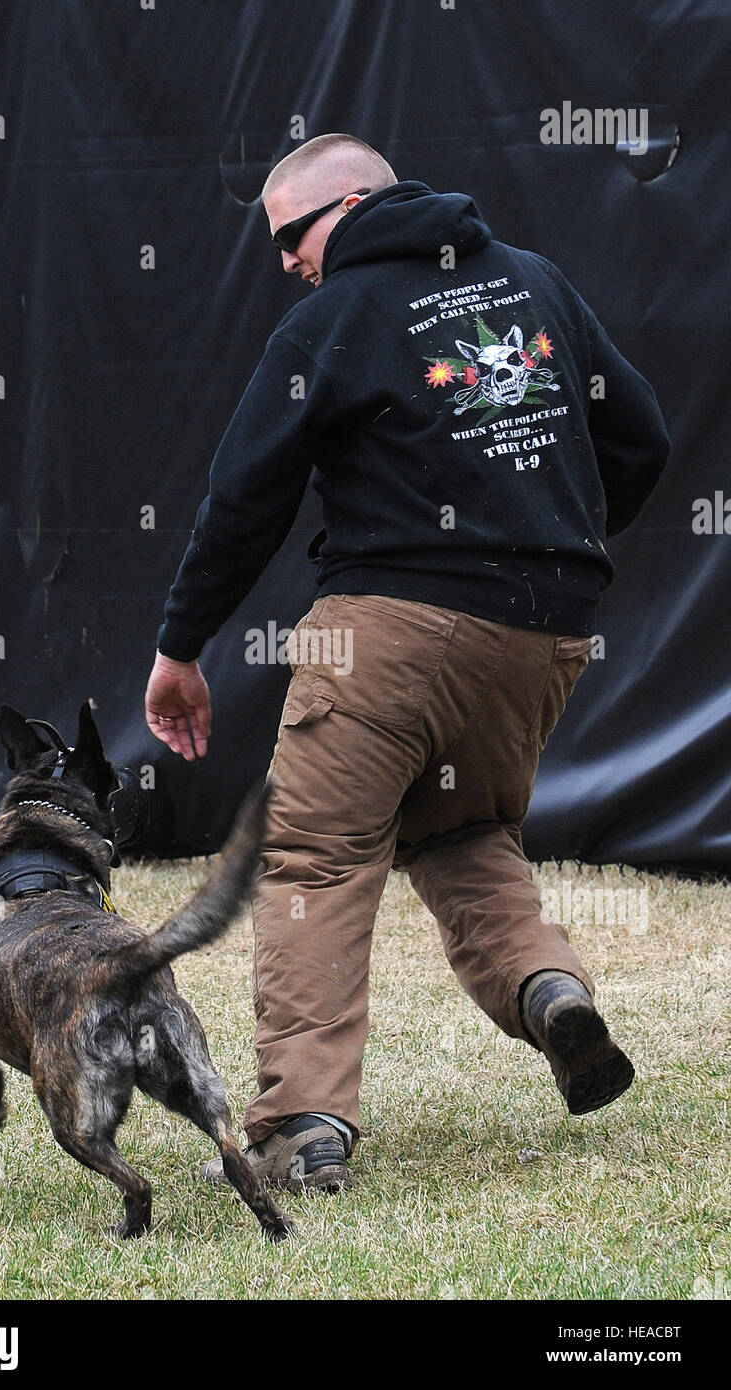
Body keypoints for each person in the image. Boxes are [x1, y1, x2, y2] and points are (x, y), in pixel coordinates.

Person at [144, 134, 670, 1193]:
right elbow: (643, 438)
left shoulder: (331, 320)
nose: (287, 261)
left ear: (345, 205)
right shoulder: (537, 283)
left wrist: (180, 646)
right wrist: (551, 537)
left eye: (290, 236)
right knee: (465, 828)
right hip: (545, 632)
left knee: (318, 858)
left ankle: (300, 1129)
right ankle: (550, 990)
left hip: (390, 626)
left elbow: (244, 500)